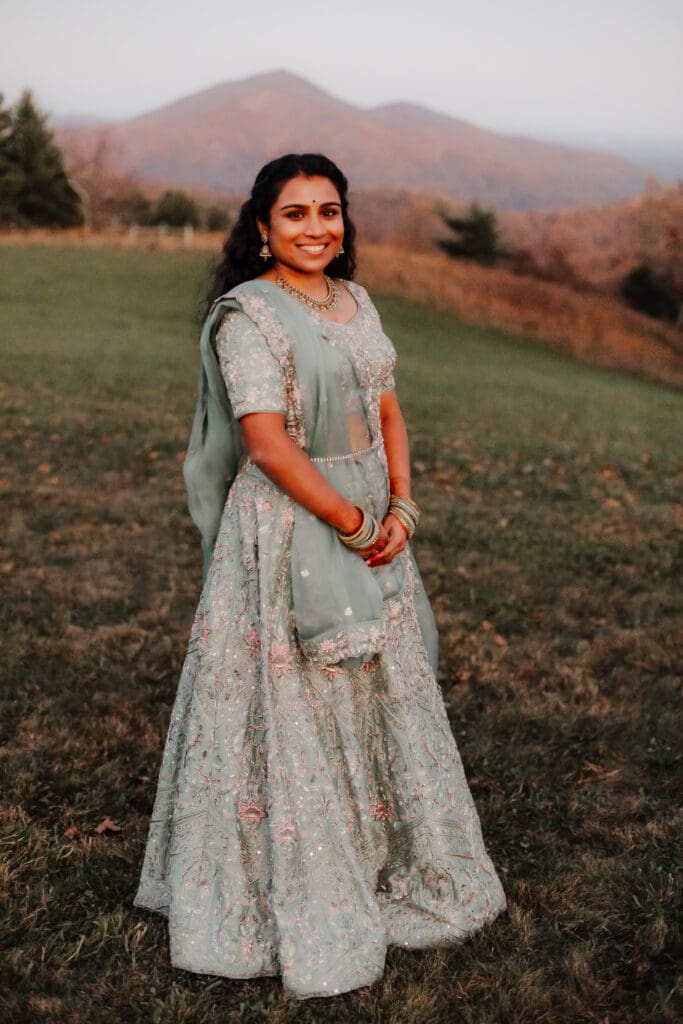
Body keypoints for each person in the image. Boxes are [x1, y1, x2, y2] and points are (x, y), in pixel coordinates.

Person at [133, 153, 506, 1000]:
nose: (315, 228)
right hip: (293, 524)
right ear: (260, 226)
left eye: (329, 211)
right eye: (295, 214)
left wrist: (400, 510)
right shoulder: (248, 316)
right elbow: (266, 443)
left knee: (378, 685)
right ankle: (290, 875)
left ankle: (382, 851)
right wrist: (351, 523)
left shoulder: (356, 300)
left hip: (374, 516)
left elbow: (386, 407)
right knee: (296, 690)